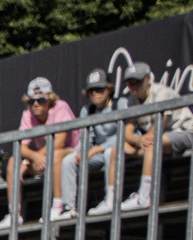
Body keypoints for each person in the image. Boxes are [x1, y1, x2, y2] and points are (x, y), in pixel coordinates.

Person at [0, 78, 75, 230]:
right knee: (12, 163)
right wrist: (33, 158)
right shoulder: (27, 115)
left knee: (56, 155)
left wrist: (32, 159)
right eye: (31, 101)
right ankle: (14, 213)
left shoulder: (61, 107)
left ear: (50, 99)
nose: (36, 104)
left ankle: (58, 206)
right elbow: (20, 147)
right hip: (43, 159)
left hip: (71, 152)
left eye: (41, 100)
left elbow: (59, 142)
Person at [119, 62, 193, 213]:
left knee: (152, 145)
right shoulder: (131, 100)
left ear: (148, 79)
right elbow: (128, 131)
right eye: (130, 83)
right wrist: (137, 141)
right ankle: (111, 201)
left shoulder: (161, 93)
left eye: (137, 82)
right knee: (120, 150)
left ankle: (145, 196)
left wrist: (141, 142)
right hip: (162, 139)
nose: (133, 87)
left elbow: (160, 124)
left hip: (185, 132)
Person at [58, 70, 127, 218]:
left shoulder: (120, 104)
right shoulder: (87, 110)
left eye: (99, 89)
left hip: (120, 151)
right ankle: (68, 207)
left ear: (108, 89)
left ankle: (111, 200)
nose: (94, 93)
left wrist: (98, 148)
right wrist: (81, 151)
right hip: (97, 154)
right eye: (91, 91)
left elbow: (124, 134)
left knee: (109, 153)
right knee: (68, 161)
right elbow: (86, 138)